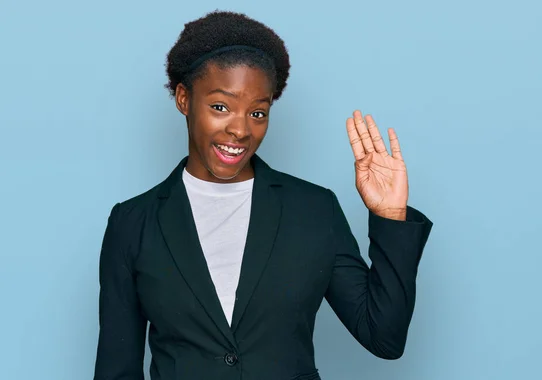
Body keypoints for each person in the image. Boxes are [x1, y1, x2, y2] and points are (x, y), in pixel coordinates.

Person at [93, 10, 433, 380]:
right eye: (220, 107)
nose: (240, 129)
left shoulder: (314, 210)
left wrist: (390, 216)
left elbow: (384, 338)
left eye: (258, 112)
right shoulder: (132, 223)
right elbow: (117, 369)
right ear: (183, 98)